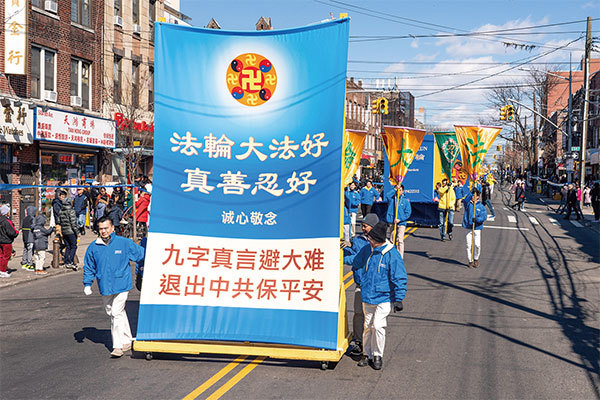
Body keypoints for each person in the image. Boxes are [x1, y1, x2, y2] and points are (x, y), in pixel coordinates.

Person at [83, 217, 145, 358]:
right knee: (113, 312)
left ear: (112, 228)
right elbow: (89, 266)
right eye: (101, 229)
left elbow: (141, 254)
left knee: (116, 313)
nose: (103, 231)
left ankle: (117, 346)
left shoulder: (124, 243)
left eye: (106, 228)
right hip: (105, 285)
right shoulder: (94, 247)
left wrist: (146, 264)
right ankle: (127, 339)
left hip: (122, 284)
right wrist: (87, 283)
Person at [351, 221, 407, 370]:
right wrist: (338, 255)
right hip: (368, 295)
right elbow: (355, 261)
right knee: (368, 326)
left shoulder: (392, 254)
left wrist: (399, 298)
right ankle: (366, 354)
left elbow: (399, 277)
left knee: (378, 325)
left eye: (372, 239)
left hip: (384, 297)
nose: (369, 241)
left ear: (380, 241)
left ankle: (377, 355)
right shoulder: (367, 249)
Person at [343, 213, 379, 356]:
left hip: (373, 287)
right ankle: (358, 341)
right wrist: (344, 247)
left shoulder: (378, 242)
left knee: (372, 318)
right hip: (359, 285)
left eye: (365, 226)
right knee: (358, 314)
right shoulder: (358, 239)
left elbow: (364, 257)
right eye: (362, 226)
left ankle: (372, 346)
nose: (363, 228)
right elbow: (347, 257)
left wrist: (353, 246)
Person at [462, 188, 487, 268]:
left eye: (474, 195)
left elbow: (484, 217)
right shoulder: (468, 204)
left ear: (478, 197)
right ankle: (470, 261)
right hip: (468, 226)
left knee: (477, 245)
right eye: (472, 195)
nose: (473, 196)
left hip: (477, 227)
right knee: (468, 245)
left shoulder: (481, 206)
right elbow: (465, 200)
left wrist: (477, 220)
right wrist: (470, 192)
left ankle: (476, 258)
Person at [385, 183, 411, 258]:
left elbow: (408, 213)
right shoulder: (392, 199)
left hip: (401, 223)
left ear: (403, 191)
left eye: (400, 190)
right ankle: (391, 255)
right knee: (392, 239)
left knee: (400, 239)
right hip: (392, 222)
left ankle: (400, 256)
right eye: (398, 190)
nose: (399, 191)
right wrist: (395, 188)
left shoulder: (405, 201)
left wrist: (400, 219)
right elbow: (387, 195)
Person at [58, 197, 79, 270]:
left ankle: (66, 261)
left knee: (67, 246)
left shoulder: (61, 211)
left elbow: (59, 221)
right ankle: (70, 261)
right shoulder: (71, 211)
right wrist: (77, 232)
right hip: (71, 231)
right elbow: (73, 223)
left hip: (64, 231)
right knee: (74, 246)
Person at [0, 205, 19, 278]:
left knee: (1, 256)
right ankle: (3, 271)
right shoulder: (7, 221)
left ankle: (1, 269)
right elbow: (12, 232)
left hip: (0, 241)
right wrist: (17, 232)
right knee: (6, 257)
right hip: (6, 241)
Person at [20, 206, 37, 271]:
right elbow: (33, 226)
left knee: (25, 249)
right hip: (30, 237)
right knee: (30, 250)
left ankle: (24, 262)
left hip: (25, 236)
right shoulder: (32, 218)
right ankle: (29, 264)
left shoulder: (25, 219)